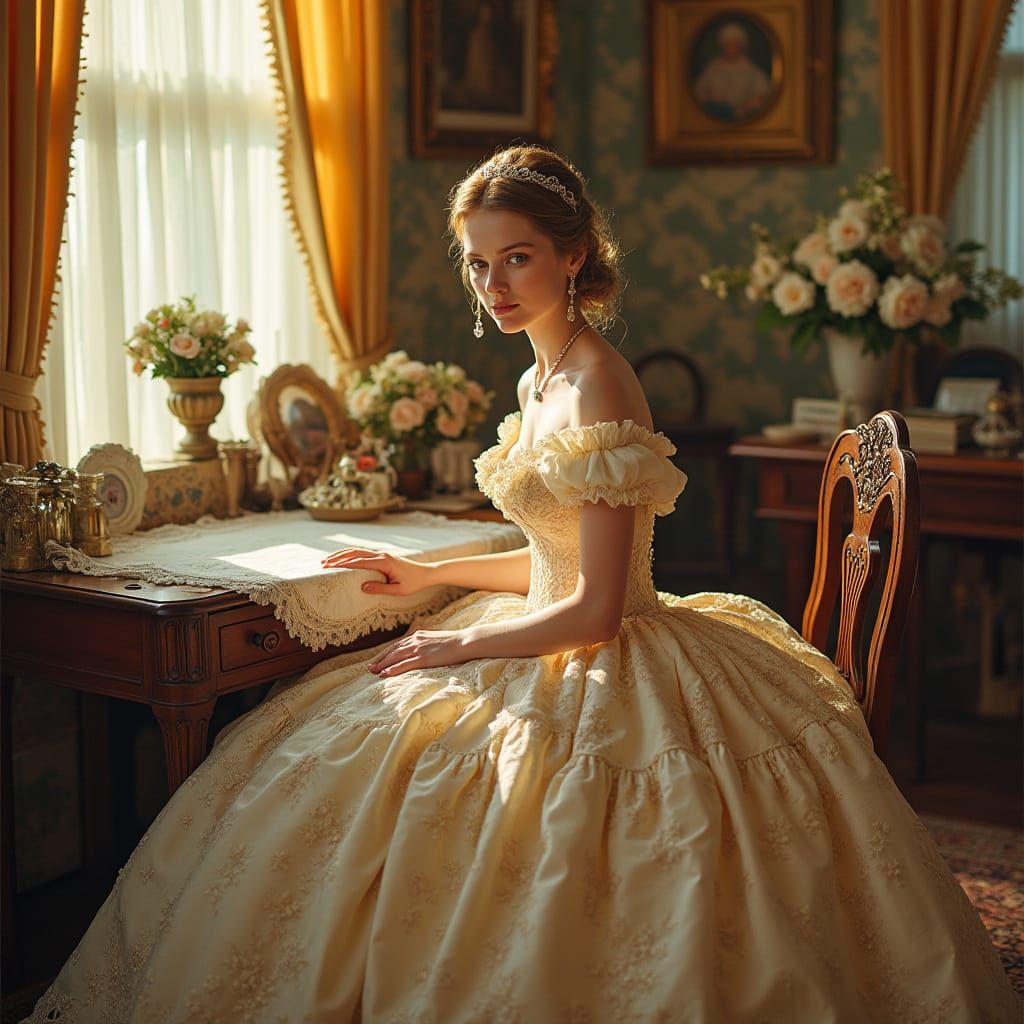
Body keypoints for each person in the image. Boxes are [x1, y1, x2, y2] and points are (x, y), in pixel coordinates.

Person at [26, 147, 1018, 1022]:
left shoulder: (597, 385)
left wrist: (458, 639)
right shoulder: (535, 379)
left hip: (603, 644)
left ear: (573, 257)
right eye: (478, 261)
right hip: (552, 617)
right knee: (341, 748)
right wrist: (428, 572)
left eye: (517, 258)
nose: (493, 284)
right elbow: (552, 559)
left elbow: (597, 606)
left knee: (444, 755)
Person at [693, 20, 773, 122]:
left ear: (742, 46)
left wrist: (743, 108)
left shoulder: (753, 72)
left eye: (734, 45)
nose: (730, 49)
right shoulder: (712, 69)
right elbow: (698, 92)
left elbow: (761, 98)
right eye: (727, 45)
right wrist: (712, 98)